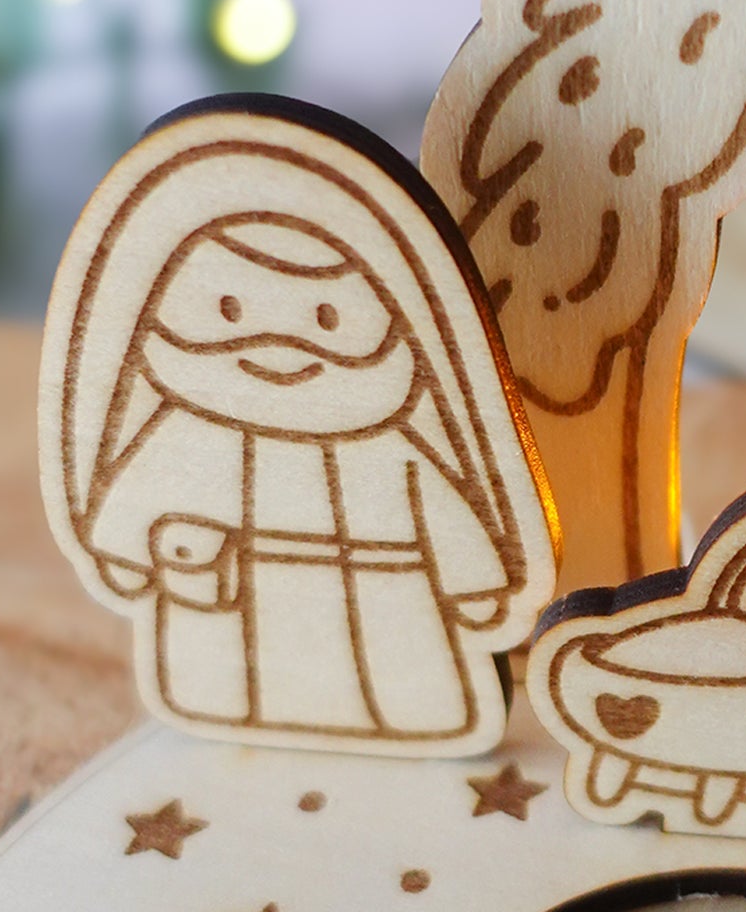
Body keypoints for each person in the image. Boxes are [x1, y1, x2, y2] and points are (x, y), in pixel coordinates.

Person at [82, 209, 517, 741]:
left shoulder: (391, 450)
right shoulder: (188, 438)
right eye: (231, 310)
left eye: (326, 319)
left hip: (382, 604)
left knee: (400, 692)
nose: (280, 346)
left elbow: (445, 513)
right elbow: (138, 498)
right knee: (233, 685)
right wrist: (130, 552)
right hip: (236, 613)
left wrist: (473, 582)